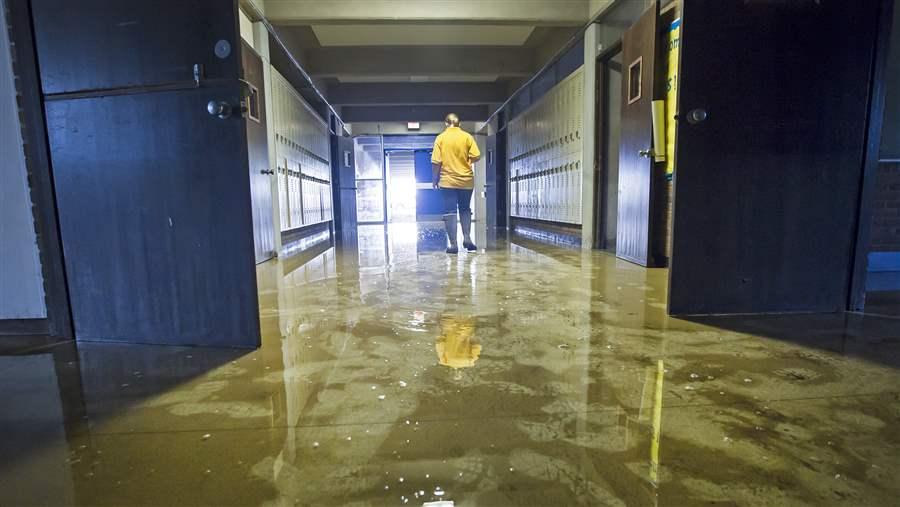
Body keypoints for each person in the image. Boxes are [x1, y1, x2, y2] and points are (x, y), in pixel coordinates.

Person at [431, 113, 481, 254]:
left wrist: (435, 179)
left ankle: (453, 244)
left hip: (447, 181)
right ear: (460, 124)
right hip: (466, 180)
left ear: (446, 124)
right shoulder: (467, 137)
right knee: (465, 209)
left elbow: (436, 162)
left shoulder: (440, 138)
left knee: (450, 211)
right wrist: (467, 162)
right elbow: (476, 155)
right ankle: (467, 237)